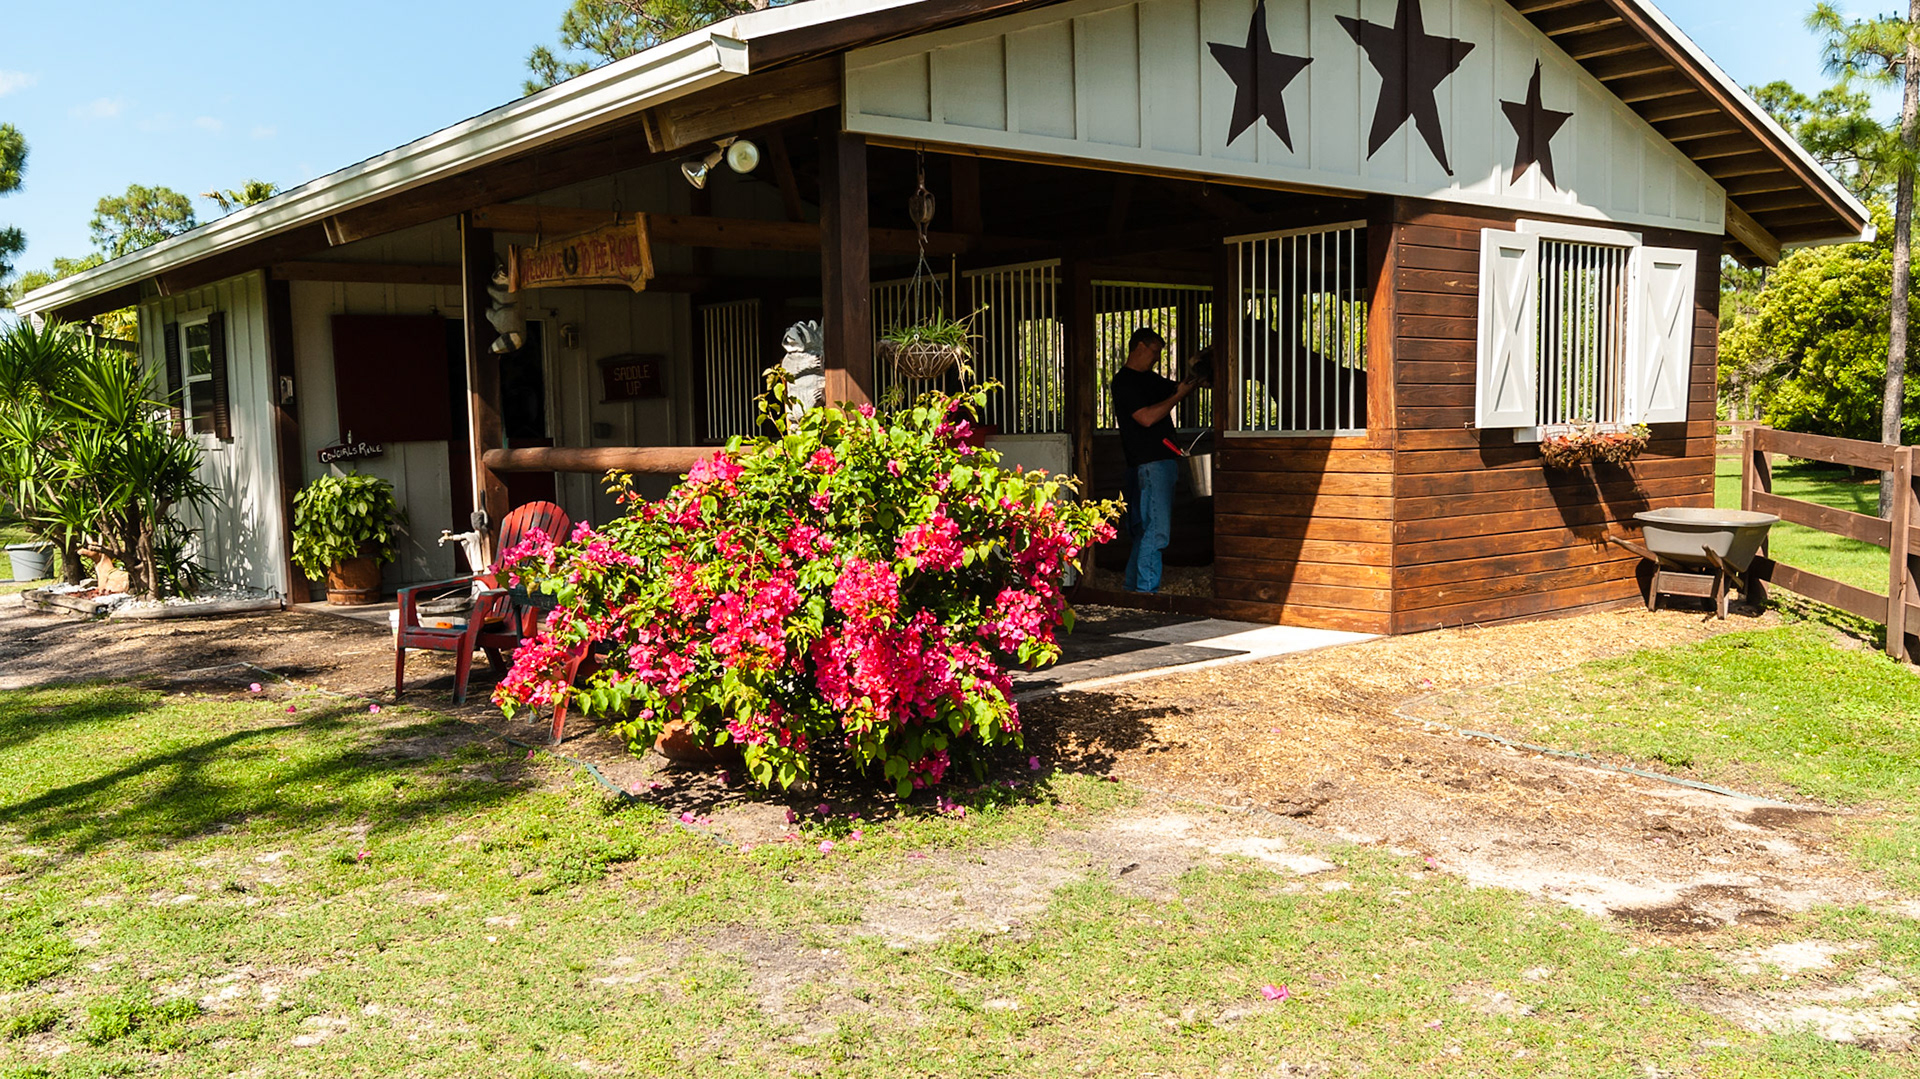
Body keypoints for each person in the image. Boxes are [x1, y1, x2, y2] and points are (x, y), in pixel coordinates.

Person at [1110, 327, 1200, 593]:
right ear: (1140, 346)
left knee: (1145, 530)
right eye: (1155, 351)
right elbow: (1146, 418)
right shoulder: (1124, 382)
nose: (1157, 358)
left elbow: (1178, 387)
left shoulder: (1150, 380)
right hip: (1150, 464)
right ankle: (1146, 592)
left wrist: (1193, 379)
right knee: (1156, 530)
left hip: (1158, 463)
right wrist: (1177, 397)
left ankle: (1132, 588)